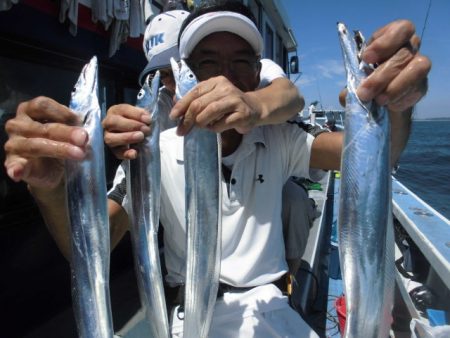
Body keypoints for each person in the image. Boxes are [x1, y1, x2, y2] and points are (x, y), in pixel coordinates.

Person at [3, 1, 430, 337]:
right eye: (207, 63)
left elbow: (376, 156)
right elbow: (95, 237)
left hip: (272, 308)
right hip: (189, 316)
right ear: (179, 78)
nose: (225, 75)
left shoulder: (281, 138)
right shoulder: (154, 150)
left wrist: (396, 106)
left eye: (241, 61)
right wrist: (53, 189)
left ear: (257, 74)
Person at [106, 8, 321, 275]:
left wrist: (252, 106)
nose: (171, 82)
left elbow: (290, 94)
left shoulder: (254, 73)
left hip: (259, 172)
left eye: (176, 70)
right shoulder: (161, 104)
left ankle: (290, 274)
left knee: (294, 199)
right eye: (163, 75)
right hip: (190, 191)